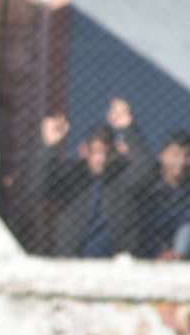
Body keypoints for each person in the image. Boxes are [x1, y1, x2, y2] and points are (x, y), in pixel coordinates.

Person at [35, 99, 155, 258]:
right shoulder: (73, 175)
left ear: (116, 151)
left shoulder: (122, 176)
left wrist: (128, 127)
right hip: (72, 258)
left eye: (107, 153)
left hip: (117, 261)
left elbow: (146, 170)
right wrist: (50, 146)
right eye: (96, 152)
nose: (101, 159)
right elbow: (42, 185)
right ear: (84, 151)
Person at [139, 130, 190, 260]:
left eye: (187, 155)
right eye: (175, 154)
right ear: (162, 155)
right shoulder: (146, 190)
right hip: (148, 257)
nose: (181, 161)